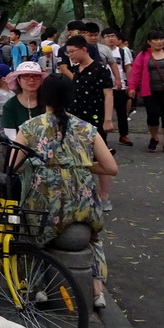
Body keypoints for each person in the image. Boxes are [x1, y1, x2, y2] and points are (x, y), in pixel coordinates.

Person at [13, 75, 119, 308]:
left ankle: (37, 287)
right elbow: (111, 168)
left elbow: (14, 165)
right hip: (83, 203)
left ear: (43, 97)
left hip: (44, 203)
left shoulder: (31, 127)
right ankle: (96, 291)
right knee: (93, 238)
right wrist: (80, 164)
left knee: (30, 236)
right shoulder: (87, 128)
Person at [65, 34, 115, 211]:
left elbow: (108, 94)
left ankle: (105, 195)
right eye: (67, 52)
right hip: (76, 118)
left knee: (100, 155)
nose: (69, 55)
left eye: (72, 51)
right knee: (79, 155)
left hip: (95, 118)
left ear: (83, 50)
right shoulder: (77, 69)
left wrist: (108, 119)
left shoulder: (100, 69)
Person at [102, 28, 133, 146]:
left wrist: (130, 84)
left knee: (122, 112)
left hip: (120, 86)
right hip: (104, 87)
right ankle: (102, 136)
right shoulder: (100, 51)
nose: (111, 39)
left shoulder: (122, 52)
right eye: (108, 36)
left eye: (113, 36)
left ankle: (123, 135)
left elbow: (128, 68)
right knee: (102, 112)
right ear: (103, 39)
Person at [1, 61, 46, 140]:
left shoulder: (49, 101)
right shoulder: (10, 106)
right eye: (26, 76)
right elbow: (11, 137)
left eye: (36, 76)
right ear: (18, 80)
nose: (31, 80)